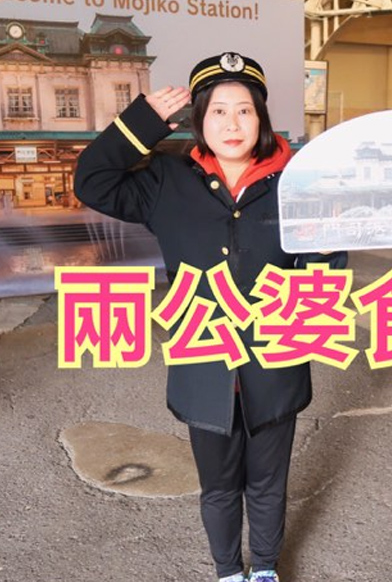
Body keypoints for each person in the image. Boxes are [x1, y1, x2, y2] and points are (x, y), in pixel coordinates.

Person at [75, 52, 345, 582]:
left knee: (267, 483)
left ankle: (263, 568)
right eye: (218, 111)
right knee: (219, 486)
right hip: (203, 364)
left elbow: (326, 269)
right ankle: (227, 570)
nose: (232, 123)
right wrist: (142, 121)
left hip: (276, 361)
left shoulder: (298, 182)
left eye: (244, 110)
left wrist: (323, 262)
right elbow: (92, 180)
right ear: (199, 119)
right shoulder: (167, 180)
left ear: (261, 118)